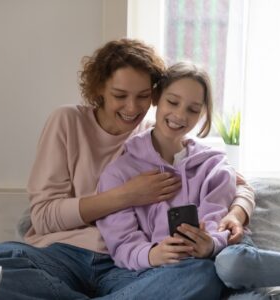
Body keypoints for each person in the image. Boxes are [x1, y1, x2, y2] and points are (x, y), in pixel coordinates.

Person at [0, 38, 253, 300]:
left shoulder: (157, 132)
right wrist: (125, 195)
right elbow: (43, 217)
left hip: (123, 268)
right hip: (60, 255)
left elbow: (235, 181)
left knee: (199, 276)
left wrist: (238, 214)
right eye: (120, 95)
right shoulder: (67, 122)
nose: (132, 108)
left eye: (143, 97)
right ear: (99, 89)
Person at [96, 61, 244, 299]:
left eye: (193, 109)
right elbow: (122, 244)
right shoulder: (119, 172)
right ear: (157, 98)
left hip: (198, 267)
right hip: (143, 274)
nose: (180, 115)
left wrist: (210, 245)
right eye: (172, 102)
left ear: (203, 113)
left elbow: (217, 224)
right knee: (204, 276)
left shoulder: (213, 167)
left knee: (211, 273)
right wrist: (153, 254)